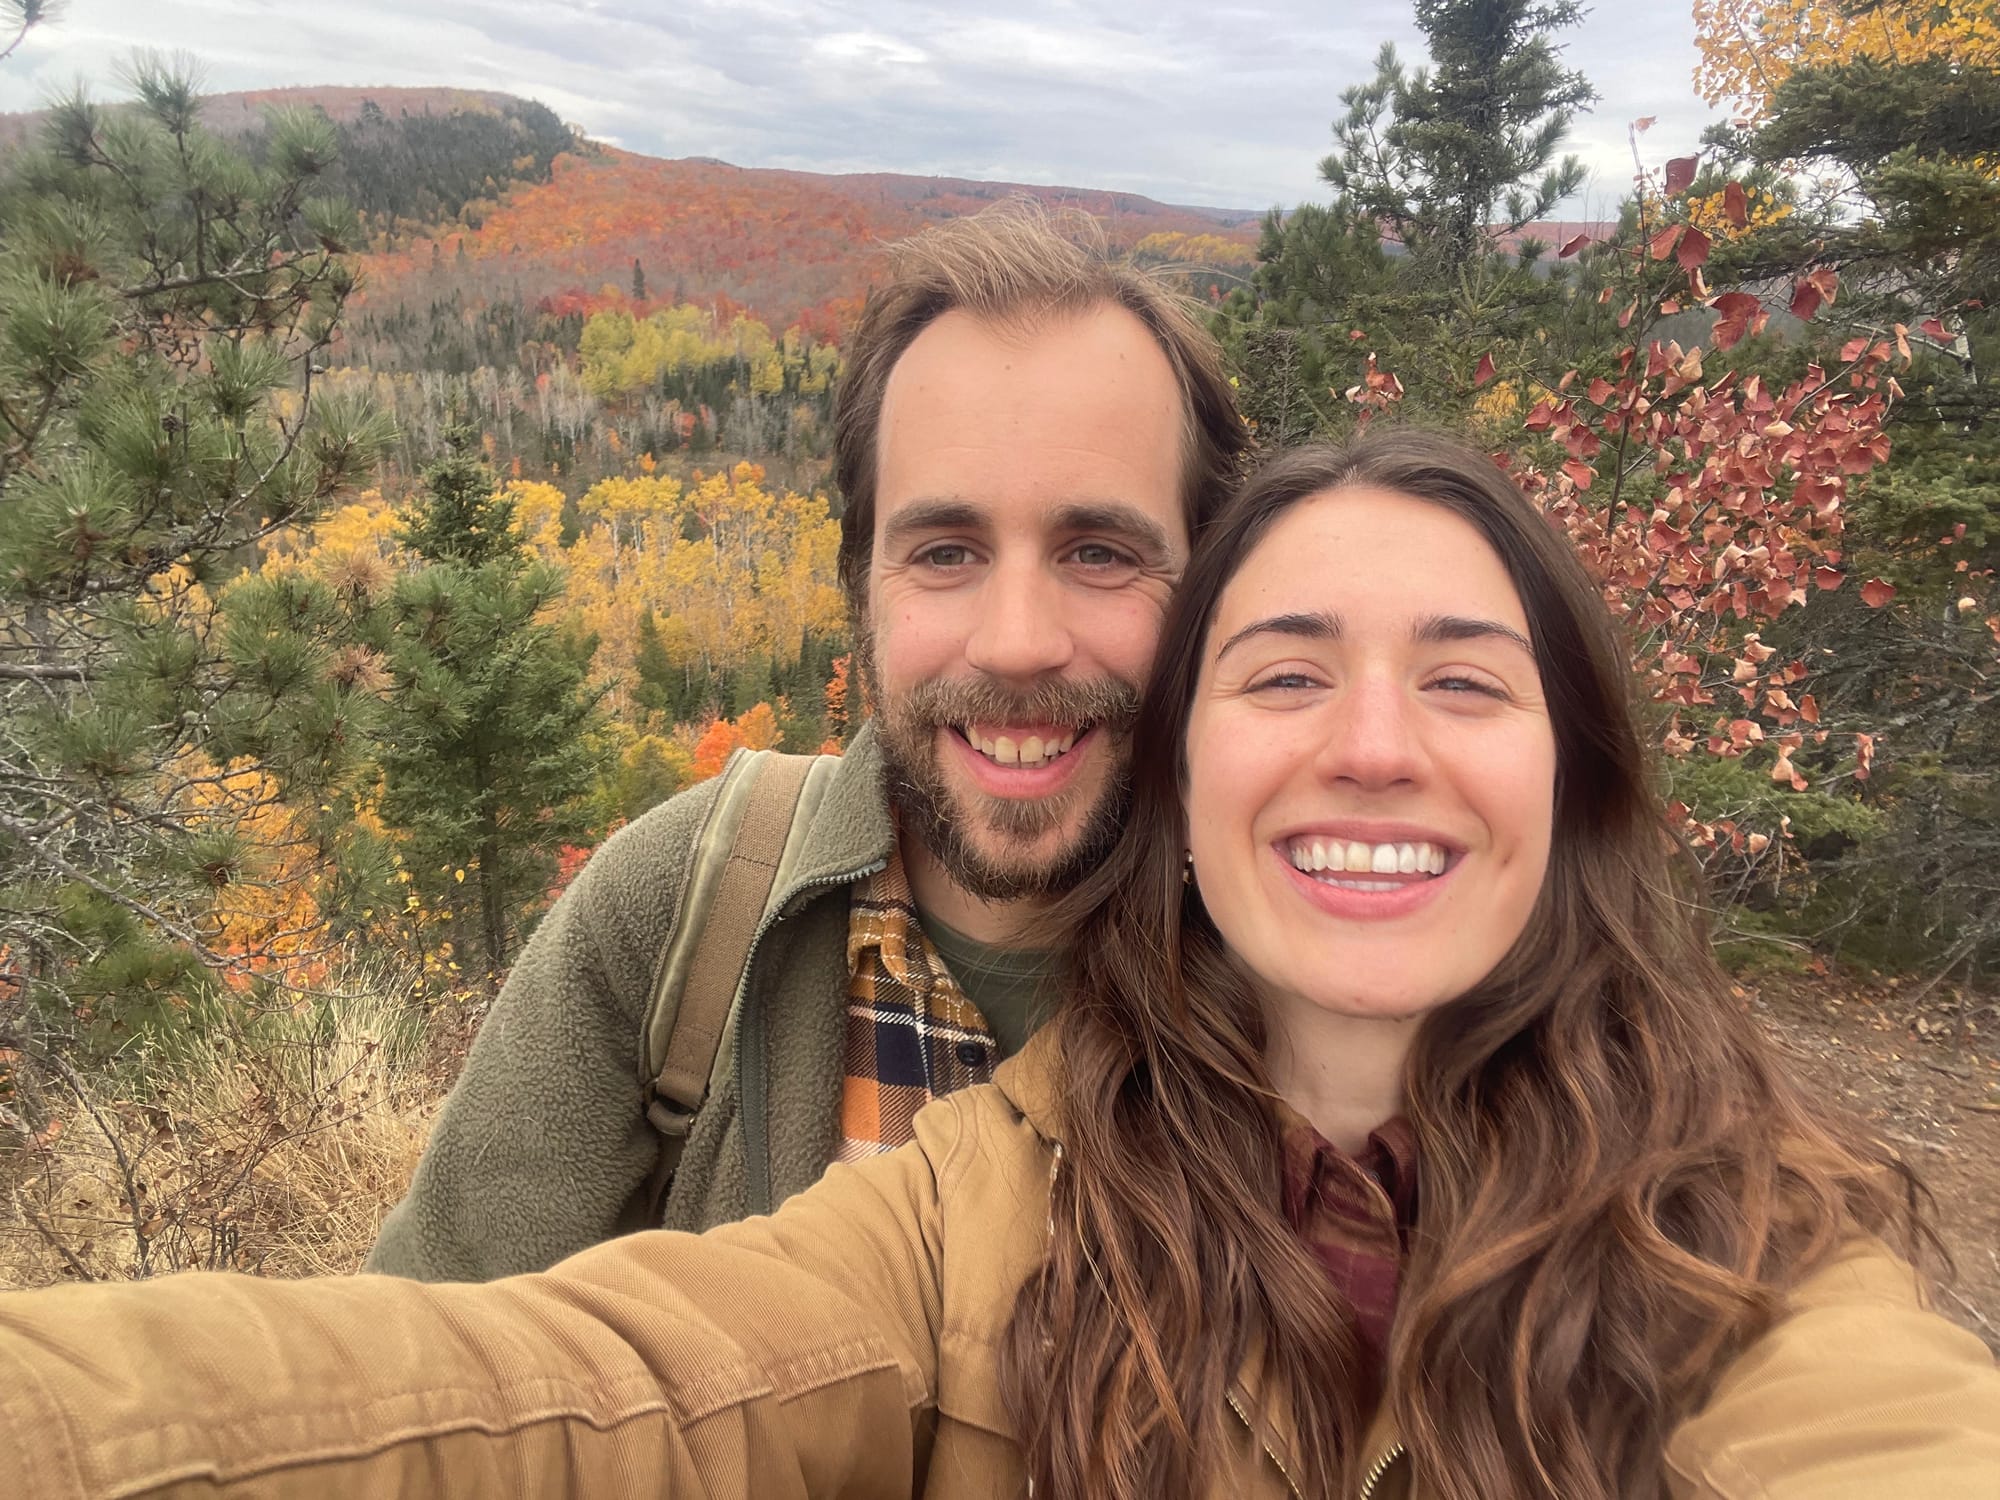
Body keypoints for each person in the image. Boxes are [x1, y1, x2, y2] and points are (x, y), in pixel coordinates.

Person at [3, 433, 1997, 1500]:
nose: (1373, 743)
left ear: (1571, 784)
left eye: (1464, 683)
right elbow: (549, 1383)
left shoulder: (1755, 1256)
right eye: (1285, 672)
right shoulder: (1004, 1202)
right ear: (1188, 779)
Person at [364, 201, 1249, 1278]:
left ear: (1207, 585)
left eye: (1101, 552)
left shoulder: (1300, 967)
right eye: (944, 552)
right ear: (859, 586)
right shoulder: (675, 915)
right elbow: (440, 1358)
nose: (1017, 644)